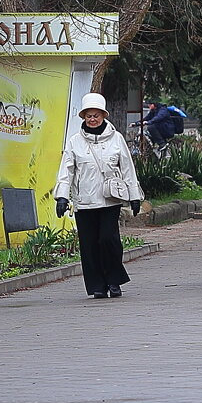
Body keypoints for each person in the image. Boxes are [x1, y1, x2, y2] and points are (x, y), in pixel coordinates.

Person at [54, 93, 144, 299]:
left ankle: (114, 281)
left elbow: (127, 169)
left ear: (103, 115)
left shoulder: (116, 139)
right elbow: (66, 170)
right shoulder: (75, 142)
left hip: (109, 200)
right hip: (84, 201)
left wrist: (134, 196)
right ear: (84, 117)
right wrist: (62, 197)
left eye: (96, 115)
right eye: (88, 116)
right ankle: (97, 286)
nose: (92, 119)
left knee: (107, 240)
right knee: (89, 245)